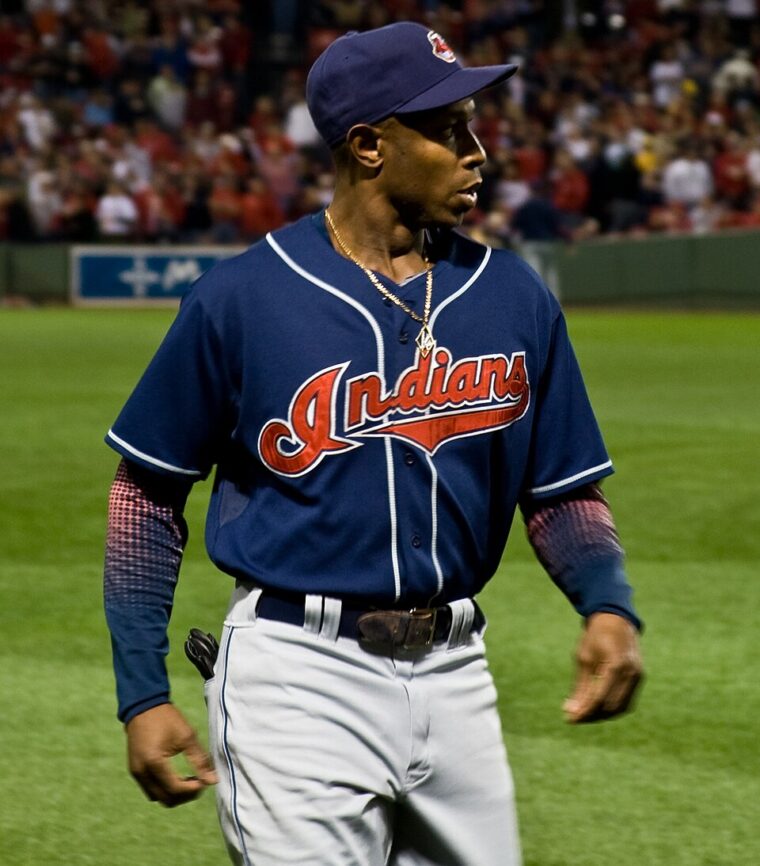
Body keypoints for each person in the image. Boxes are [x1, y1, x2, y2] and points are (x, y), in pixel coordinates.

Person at [104, 22, 643, 866]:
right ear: (367, 146)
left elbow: (561, 490)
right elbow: (146, 493)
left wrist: (606, 603)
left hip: (458, 675)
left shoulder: (512, 296)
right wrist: (142, 691)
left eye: (472, 126)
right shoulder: (241, 299)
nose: (477, 153)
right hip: (297, 673)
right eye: (449, 130)